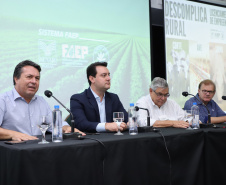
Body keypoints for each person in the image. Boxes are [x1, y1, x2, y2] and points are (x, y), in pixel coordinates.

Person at [0, 60, 84, 141]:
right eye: (29, 77)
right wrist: (14, 134)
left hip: (38, 150)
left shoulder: (41, 101)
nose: (34, 81)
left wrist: (66, 128)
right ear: (16, 79)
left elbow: (53, 125)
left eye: (37, 78)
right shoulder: (3, 100)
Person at [70, 62, 128, 133]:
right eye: (104, 75)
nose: (108, 78)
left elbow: (126, 118)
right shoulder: (78, 99)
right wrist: (106, 126)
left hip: (112, 140)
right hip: (90, 141)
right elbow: (81, 124)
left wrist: (126, 124)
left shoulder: (113, 98)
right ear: (92, 79)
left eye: (108, 75)